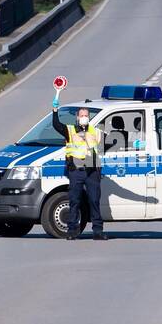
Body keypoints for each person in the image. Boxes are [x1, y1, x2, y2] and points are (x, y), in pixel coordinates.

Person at [51, 103, 106, 240]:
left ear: (89, 117)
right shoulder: (70, 130)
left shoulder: (95, 131)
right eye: (81, 116)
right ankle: (72, 231)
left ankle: (97, 231)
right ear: (77, 117)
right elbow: (56, 125)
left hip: (92, 171)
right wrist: (55, 111)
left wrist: (134, 143)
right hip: (76, 171)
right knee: (74, 201)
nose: (84, 118)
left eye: (86, 116)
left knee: (94, 200)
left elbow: (110, 141)